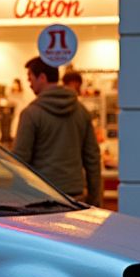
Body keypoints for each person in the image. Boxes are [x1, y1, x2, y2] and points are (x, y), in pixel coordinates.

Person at [12, 56, 101, 206]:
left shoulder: (31, 113)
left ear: (42, 77)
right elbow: (92, 158)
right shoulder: (81, 111)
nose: (29, 84)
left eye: (30, 78)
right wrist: (94, 198)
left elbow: (20, 161)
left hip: (41, 198)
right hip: (75, 198)